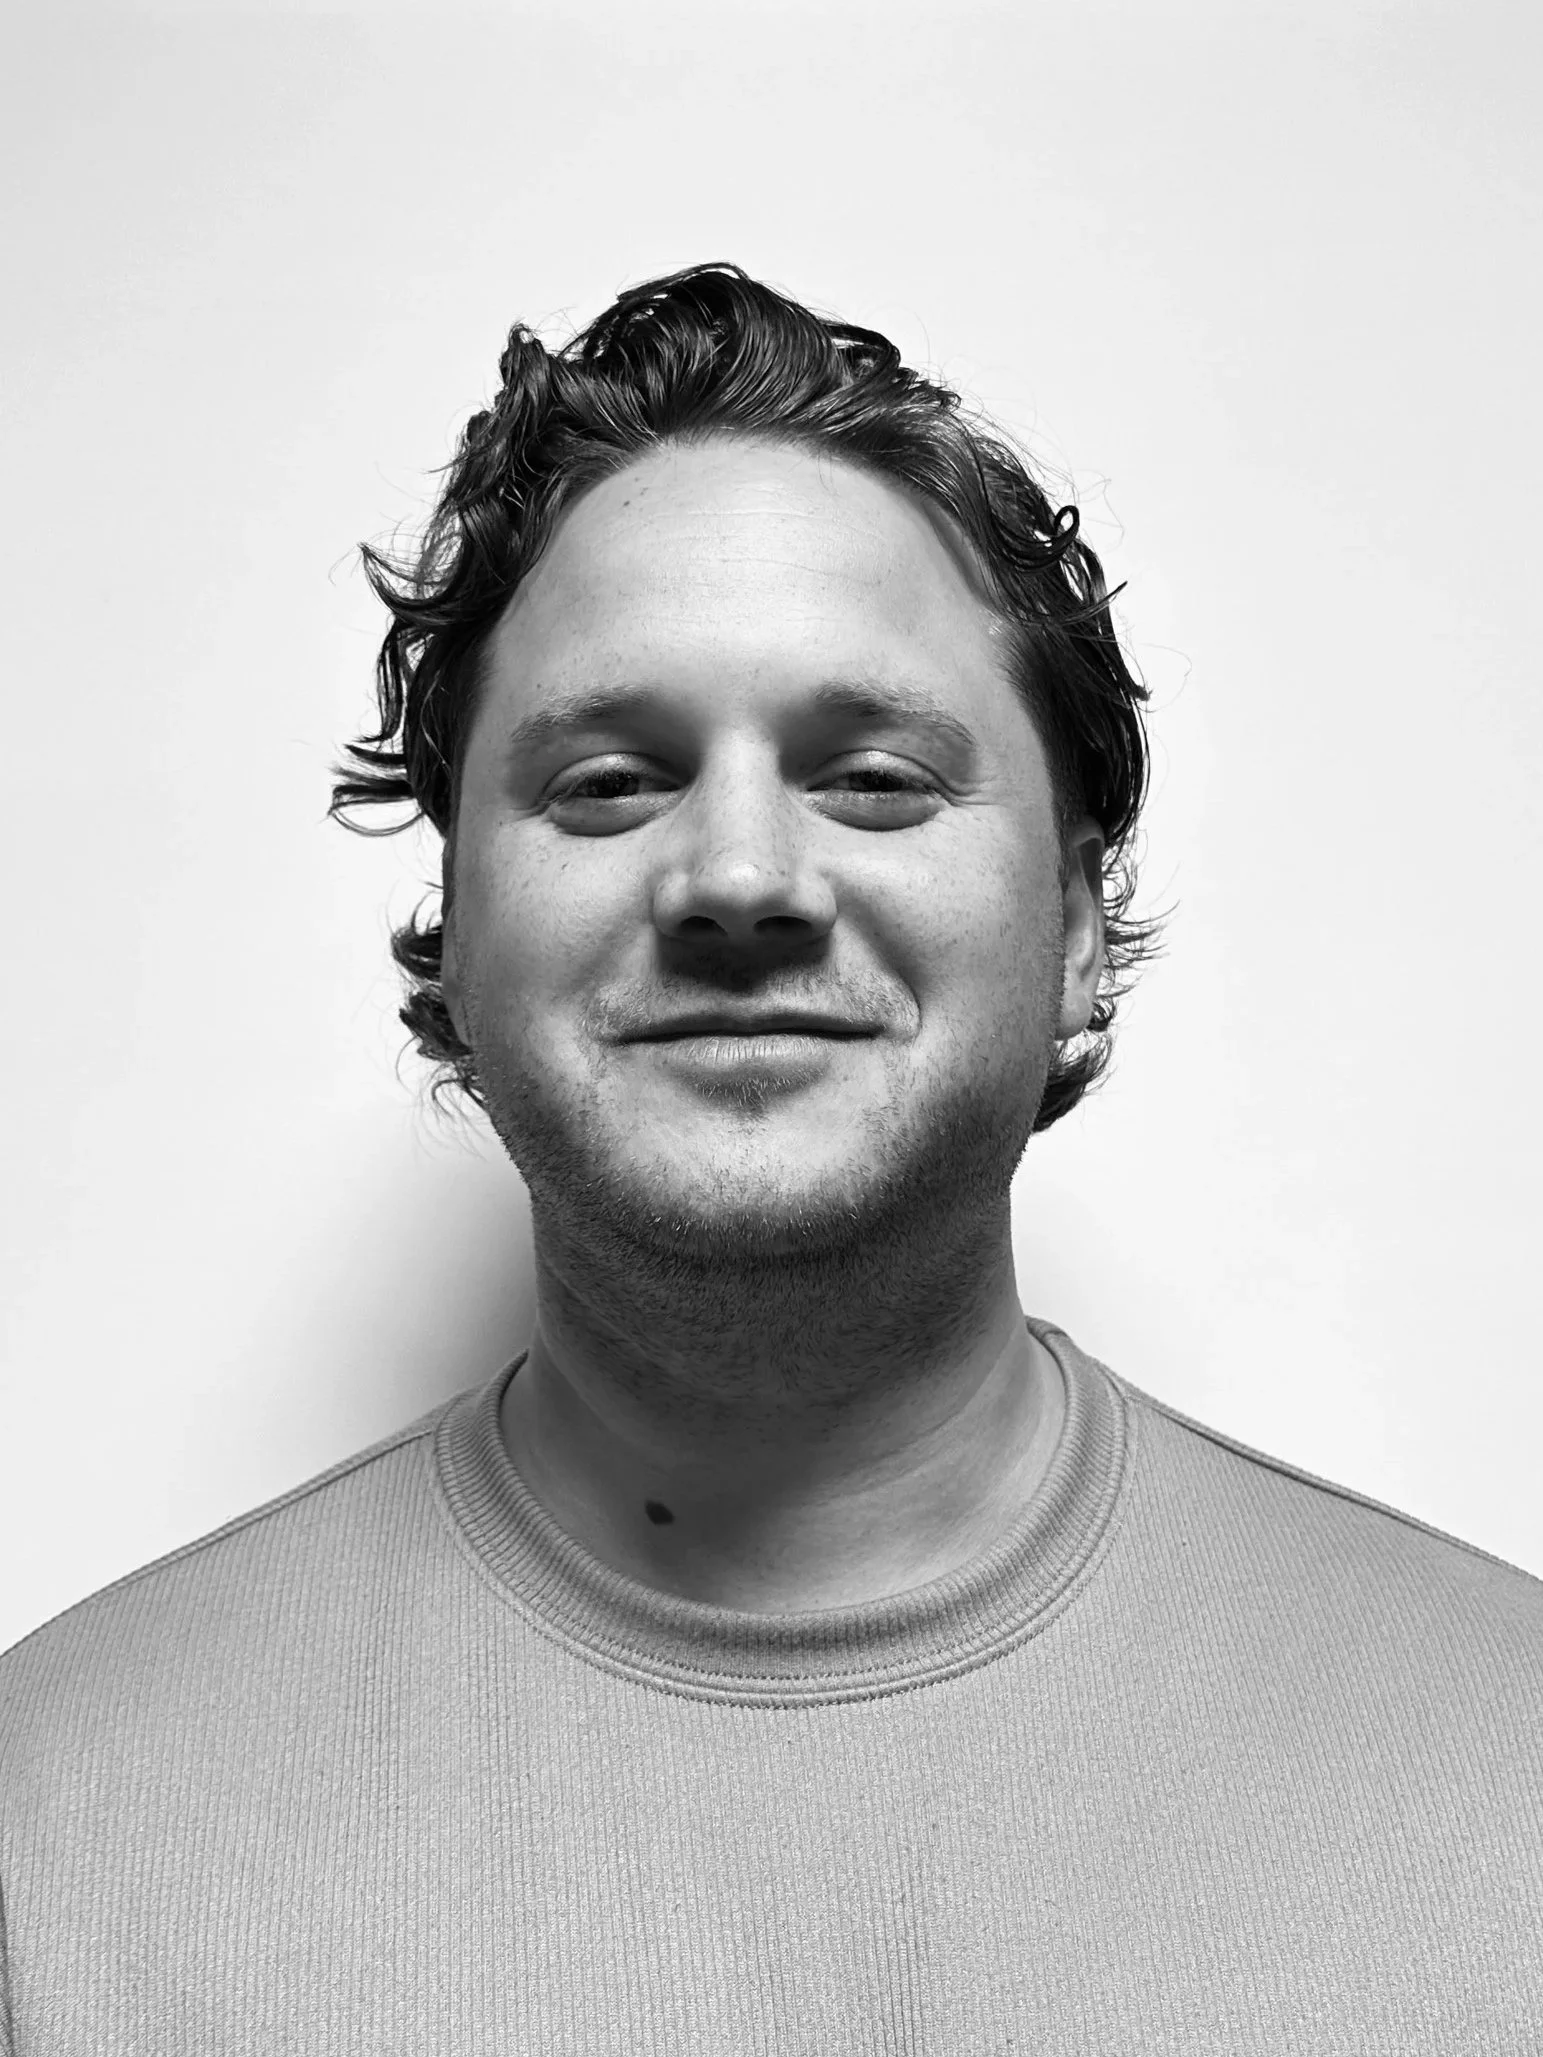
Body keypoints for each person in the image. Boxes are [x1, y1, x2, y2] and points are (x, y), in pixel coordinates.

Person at [2, 263, 1539, 2054]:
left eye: (875, 778)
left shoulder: (1506, 1779)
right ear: (457, 924)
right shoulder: (53, 1836)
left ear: (1071, 924)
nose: (737, 877)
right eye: (606, 783)